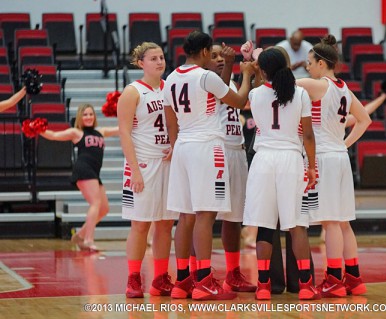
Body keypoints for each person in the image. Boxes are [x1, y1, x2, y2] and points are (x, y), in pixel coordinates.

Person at [163, 31, 254, 301]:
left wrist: (178, 145)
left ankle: (182, 282)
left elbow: (171, 123)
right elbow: (238, 102)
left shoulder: (170, 78)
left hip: (182, 146)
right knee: (205, 215)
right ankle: (204, 281)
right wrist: (246, 76)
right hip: (207, 146)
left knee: (185, 216)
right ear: (204, 51)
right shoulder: (205, 76)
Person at [297, 34, 371, 298]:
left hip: (326, 158)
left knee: (330, 223)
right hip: (340, 156)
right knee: (343, 223)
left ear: (321, 63)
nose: (307, 66)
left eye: (309, 62)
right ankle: (353, 278)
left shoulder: (318, 86)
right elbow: (365, 120)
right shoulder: (343, 88)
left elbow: (281, 85)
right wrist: (345, 144)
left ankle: (333, 279)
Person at [242, 48, 319, 300]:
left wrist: (251, 66)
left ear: (263, 71)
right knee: (296, 226)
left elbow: (256, 87)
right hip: (291, 159)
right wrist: (311, 165)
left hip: (263, 160)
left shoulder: (254, 94)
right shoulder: (300, 93)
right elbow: (308, 135)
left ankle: (263, 285)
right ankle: (306, 285)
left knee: (264, 226)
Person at [117, 42, 178, 299]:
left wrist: (175, 146)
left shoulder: (170, 89)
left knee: (165, 225)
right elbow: (124, 133)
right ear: (141, 63)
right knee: (140, 225)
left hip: (167, 162)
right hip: (142, 163)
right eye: (153, 58)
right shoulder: (132, 92)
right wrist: (134, 170)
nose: (159, 62)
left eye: (162, 57)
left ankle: (160, 278)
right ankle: (133, 279)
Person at [206, 43, 256, 293]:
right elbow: (222, 93)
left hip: (236, 150)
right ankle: (198, 272)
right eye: (214, 56)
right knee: (203, 217)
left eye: (221, 55)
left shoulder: (231, 82)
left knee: (234, 217)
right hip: (215, 150)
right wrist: (234, 67)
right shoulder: (203, 81)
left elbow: (239, 97)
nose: (220, 59)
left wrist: (247, 62)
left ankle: (233, 273)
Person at [39, 103, 118, 251]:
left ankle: (80, 235)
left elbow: (121, 129)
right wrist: (38, 129)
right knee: (95, 203)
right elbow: (54, 136)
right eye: (85, 114)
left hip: (94, 173)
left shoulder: (101, 131)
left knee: (104, 209)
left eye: (90, 114)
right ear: (80, 117)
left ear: (94, 116)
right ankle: (88, 240)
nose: (88, 117)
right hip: (84, 170)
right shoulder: (76, 133)